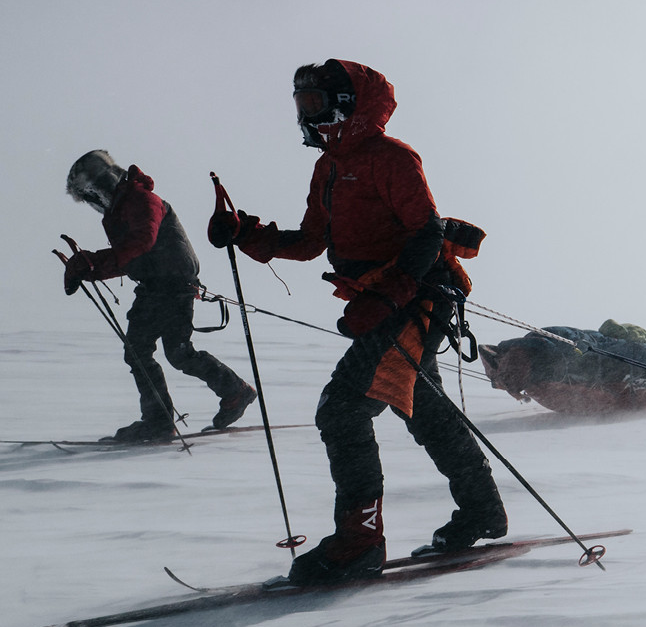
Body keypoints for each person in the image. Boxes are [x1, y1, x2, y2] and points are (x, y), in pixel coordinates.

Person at [208, 59, 507, 585]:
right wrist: (245, 232)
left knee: (343, 408)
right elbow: (309, 242)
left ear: (347, 104)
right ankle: (482, 511)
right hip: (388, 301)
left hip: (418, 298)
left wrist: (389, 298)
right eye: (301, 105)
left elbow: (427, 235)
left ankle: (360, 542)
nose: (306, 116)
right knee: (426, 411)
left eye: (315, 104)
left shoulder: (391, 158)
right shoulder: (328, 166)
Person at [64, 150, 257, 442]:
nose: (96, 201)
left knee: (176, 352)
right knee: (143, 351)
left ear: (105, 183)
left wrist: (94, 263)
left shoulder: (141, 200)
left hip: (173, 284)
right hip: (154, 286)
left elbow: (142, 242)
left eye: (94, 193)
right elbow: (133, 256)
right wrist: (90, 268)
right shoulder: (118, 211)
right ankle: (163, 418)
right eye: (90, 197)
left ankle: (230, 393)